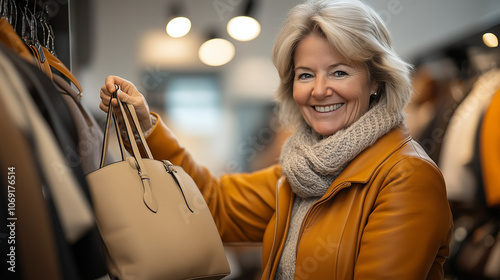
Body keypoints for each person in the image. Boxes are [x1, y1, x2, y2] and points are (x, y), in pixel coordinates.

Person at [99, 0, 453, 279]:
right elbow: (213, 203)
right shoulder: (303, 171)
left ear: (376, 81)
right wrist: (145, 128)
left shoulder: (407, 177)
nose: (318, 90)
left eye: (339, 72)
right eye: (305, 75)